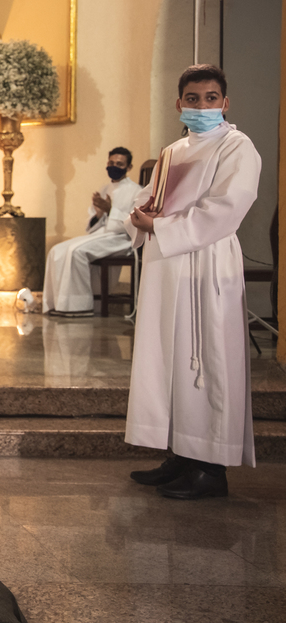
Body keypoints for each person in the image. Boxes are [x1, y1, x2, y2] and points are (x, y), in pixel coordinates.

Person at [125, 64, 261, 500]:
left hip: (206, 261)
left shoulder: (237, 147)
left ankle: (209, 469)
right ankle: (181, 455)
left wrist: (162, 227)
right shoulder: (172, 151)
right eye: (193, 98)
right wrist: (140, 217)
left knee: (206, 359)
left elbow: (228, 207)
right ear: (178, 102)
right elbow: (147, 198)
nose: (202, 106)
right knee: (170, 358)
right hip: (167, 267)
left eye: (210, 98)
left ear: (225, 102)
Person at [42, 147, 141, 316]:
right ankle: (57, 304)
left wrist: (111, 210)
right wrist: (100, 214)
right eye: (111, 163)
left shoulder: (137, 191)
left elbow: (135, 222)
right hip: (101, 234)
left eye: (119, 164)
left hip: (122, 239)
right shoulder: (104, 189)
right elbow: (93, 223)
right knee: (55, 251)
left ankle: (80, 306)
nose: (114, 166)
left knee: (76, 252)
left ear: (129, 167)